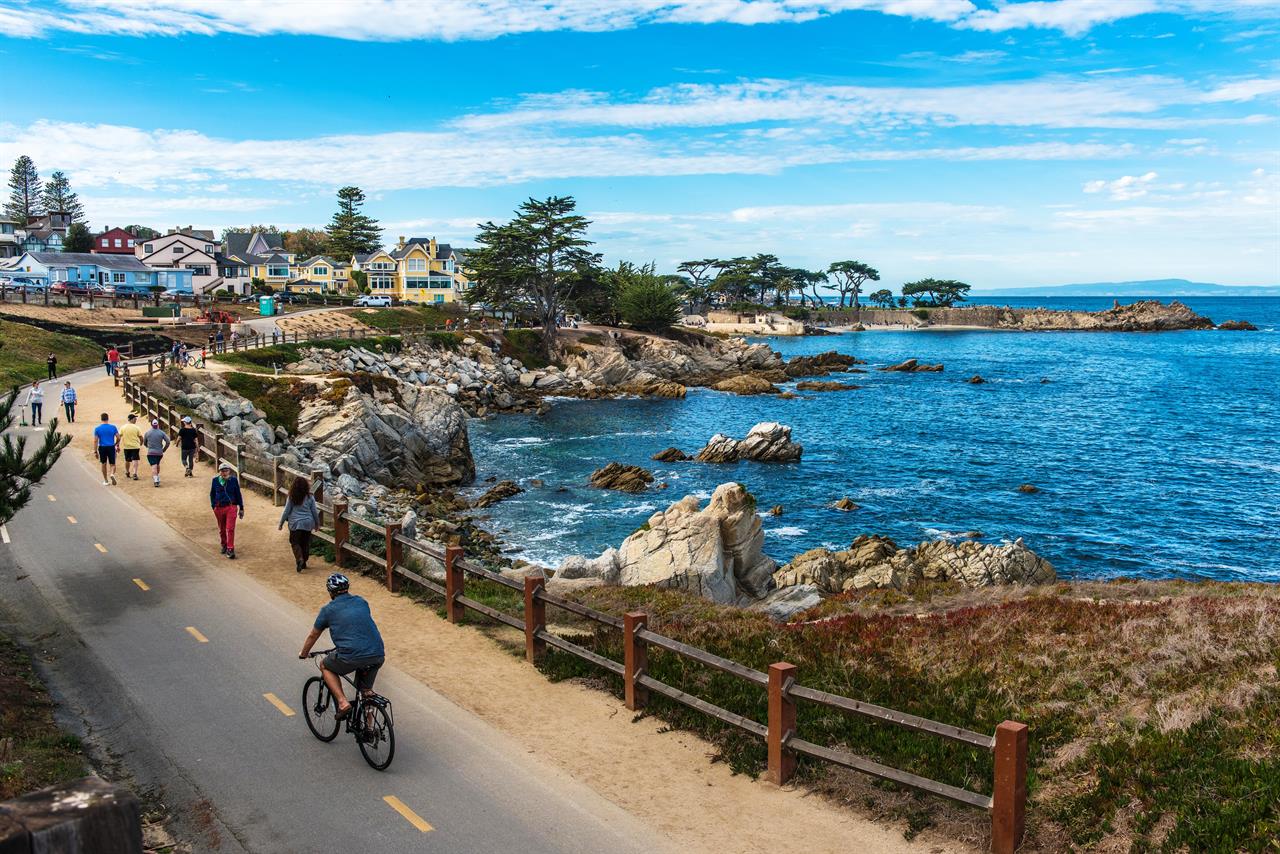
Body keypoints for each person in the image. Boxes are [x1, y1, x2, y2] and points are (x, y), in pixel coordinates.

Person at [297, 574, 385, 720]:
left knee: (325, 666)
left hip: (351, 656)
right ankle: (370, 729)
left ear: (330, 591)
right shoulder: (361, 602)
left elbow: (313, 635)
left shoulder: (328, 610)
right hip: (377, 654)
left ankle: (343, 703)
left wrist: (304, 653)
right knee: (366, 691)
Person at [278, 476, 320, 572]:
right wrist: (317, 524)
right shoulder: (310, 497)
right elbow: (314, 511)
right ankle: (304, 561)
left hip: (295, 524)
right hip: (308, 523)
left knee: (295, 542)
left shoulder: (292, 496)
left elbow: (286, 511)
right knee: (305, 543)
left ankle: (299, 559)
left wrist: (281, 523)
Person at [210, 460, 244, 559]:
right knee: (222, 529)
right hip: (219, 507)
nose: (224, 472)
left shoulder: (233, 480)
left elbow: (238, 494)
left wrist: (241, 507)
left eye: (226, 470)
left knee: (230, 528)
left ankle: (230, 548)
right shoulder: (215, 481)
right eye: (222, 471)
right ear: (219, 471)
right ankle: (224, 544)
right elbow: (212, 494)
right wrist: (214, 506)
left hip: (231, 507)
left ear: (229, 471)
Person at [92, 413, 120, 486]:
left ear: (101, 419)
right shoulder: (113, 427)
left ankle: (106, 480)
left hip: (102, 447)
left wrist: (95, 451)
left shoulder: (97, 429)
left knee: (103, 464)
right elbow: (118, 437)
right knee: (112, 463)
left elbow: (95, 441)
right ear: (108, 418)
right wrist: (116, 444)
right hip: (111, 446)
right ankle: (112, 474)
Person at [143, 419, 170, 488]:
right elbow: (168, 441)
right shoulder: (161, 433)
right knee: (157, 464)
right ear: (157, 424)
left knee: (154, 466)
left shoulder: (147, 433)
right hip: (159, 453)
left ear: (151, 424)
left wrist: (148, 446)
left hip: (151, 453)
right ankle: (157, 476)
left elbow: (144, 442)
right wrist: (164, 449)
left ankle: (156, 480)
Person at [119, 413, 144, 481]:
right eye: (135, 418)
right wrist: (141, 443)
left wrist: (117, 444)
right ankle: (135, 473)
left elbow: (119, 436)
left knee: (127, 460)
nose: (136, 419)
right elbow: (141, 437)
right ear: (131, 419)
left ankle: (127, 472)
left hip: (126, 446)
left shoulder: (123, 427)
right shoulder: (136, 427)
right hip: (135, 446)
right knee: (135, 460)